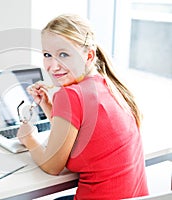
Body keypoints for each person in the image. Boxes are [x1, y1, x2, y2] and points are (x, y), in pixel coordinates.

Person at [17, 14, 149, 200]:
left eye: (64, 54)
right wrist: (48, 106)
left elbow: (52, 166)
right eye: (47, 55)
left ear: (88, 55)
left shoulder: (70, 95)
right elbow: (81, 133)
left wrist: (28, 139)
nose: (53, 66)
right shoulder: (111, 85)